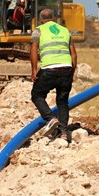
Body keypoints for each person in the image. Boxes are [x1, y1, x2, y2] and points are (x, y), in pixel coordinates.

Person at [30, 8, 77, 141]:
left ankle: (51, 119)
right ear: (54, 19)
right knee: (62, 102)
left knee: (37, 95)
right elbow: (73, 54)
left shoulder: (38, 30)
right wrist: (71, 72)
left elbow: (34, 50)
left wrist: (34, 70)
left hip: (49, 68)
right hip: (66, 68)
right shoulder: (65, 30)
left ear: (41, 20)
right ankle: (63, 133)